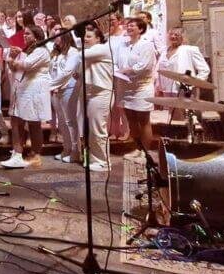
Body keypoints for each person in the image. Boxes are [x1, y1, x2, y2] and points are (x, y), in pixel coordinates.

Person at [1, 25, 51, 169]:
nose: (24, 36)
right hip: (23, 89)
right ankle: (20, 154)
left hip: (33, 91)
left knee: (32, 123)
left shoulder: (41, 51)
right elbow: (14, 68)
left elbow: (26, 65)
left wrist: (14, 58)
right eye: (24, 34)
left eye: (28, 34)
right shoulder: (27, 50)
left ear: (37, 36)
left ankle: (32, 154)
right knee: (18, 120)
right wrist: (12, 57)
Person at [76, 23, 114, 172]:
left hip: (101, 93)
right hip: (91, 92)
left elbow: (80, 56)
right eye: (84, 36)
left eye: (89, 36)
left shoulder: (101, 48)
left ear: (98, 38)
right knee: (91, 129)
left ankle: (104, 162)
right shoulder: (92, 50)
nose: (85, 39)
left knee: (98, 129)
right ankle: (94, 158)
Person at [118, 18, 156, 152]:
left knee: (143, 120)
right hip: (127, 87)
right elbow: (119, 62)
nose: (129, 28)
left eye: (132, 26)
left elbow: (145, 65)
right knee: (131, 120)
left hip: (142, 87)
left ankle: (146, 152)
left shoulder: (146, 45)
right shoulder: (124, 45)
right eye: (127, 26)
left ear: (140, 29)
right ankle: (137, 148)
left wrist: (127, 70)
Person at [49, 25, 80, 163]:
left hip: (68, 89)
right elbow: (51, 71)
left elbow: (67, 72)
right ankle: (66, 148)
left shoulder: (73, 52)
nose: (55, 37)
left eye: (58, 34)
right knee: (61, 122)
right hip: (55, 90)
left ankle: (75, 151)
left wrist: (51, 85)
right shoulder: (55, 53)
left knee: (70, 121)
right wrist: (52, 85)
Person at [157, 28, 210, 97]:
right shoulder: (164, 51)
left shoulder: (189, 50)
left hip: (183, 90)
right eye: (171, 34)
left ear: (183, 37)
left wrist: (192, 84)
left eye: (176, 35)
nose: (173, 37)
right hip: (166, 91)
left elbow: (204, 70)